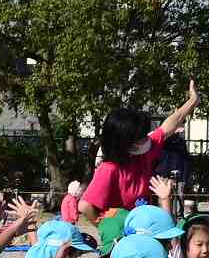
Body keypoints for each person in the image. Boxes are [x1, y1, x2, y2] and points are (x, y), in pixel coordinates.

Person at [77, 86, 199, 217]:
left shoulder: (144, 152)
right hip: (123, 235)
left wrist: (192, 101)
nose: (147, 139)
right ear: (124, 141)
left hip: (143, 226)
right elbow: (85, 206)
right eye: (140, 137)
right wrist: (108, 227)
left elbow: (168, 126)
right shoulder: (109, 169)